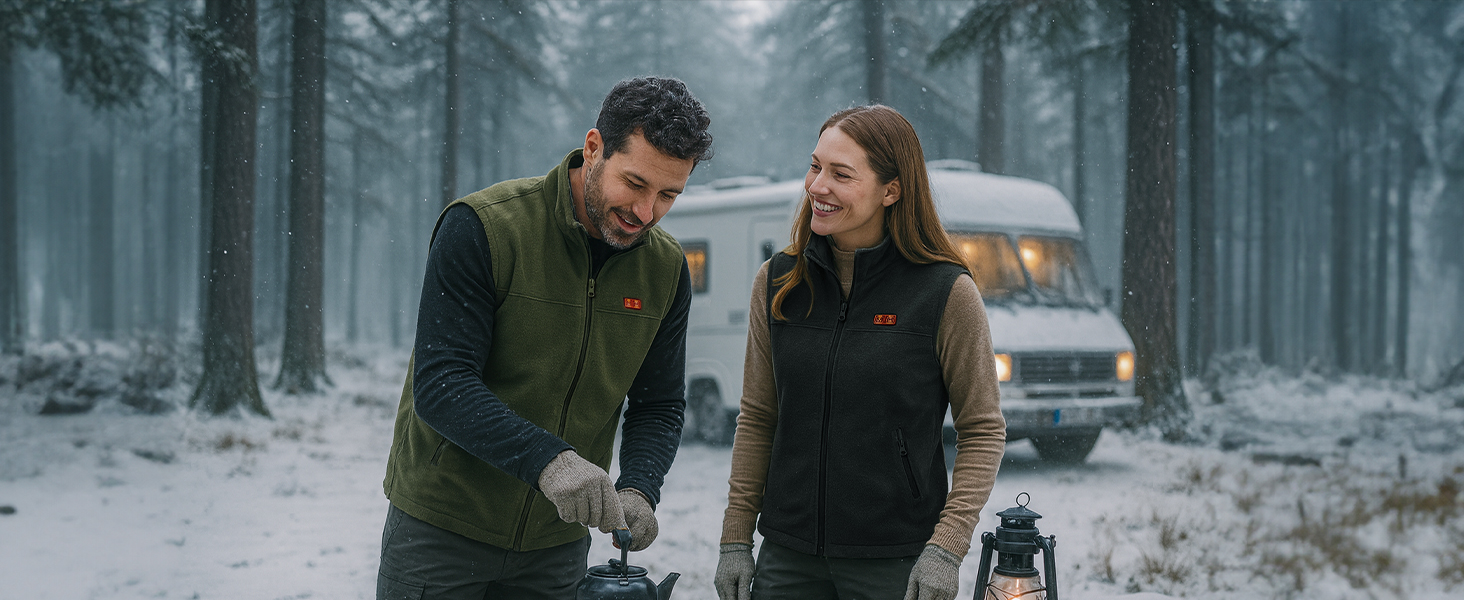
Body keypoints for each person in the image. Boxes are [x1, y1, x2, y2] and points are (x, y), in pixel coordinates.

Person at [378, 76, 713, 600]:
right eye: (636, 184)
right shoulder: (484, 227)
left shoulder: (666, 269)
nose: (646, 213)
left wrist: (640, 486)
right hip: (441, 532)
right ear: (594, 147)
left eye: (669, 194)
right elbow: (441, 384)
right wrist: (549, 461)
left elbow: (660, 403)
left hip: (556, 550)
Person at [713, 105, 1007, 600]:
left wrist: (946, 548)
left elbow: (982, 428)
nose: (816, 186)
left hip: (894, 561)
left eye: (840, 175)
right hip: (787, 556)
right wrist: (735, 539)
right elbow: (759, 416)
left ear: (891, 190)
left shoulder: (943, 292)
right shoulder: (778, 282)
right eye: (815, 166)